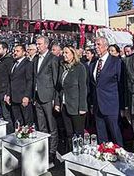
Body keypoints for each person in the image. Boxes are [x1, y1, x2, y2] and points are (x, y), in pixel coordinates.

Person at [89, 37, 125, 145]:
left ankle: (120, 157)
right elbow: (92, 85)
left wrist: (123, 107)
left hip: (112, 105)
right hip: (97, 106)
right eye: (95, 45)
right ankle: (104, 156)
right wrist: (91, 103)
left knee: (115, 135)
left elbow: (121, 85)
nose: (96, 47)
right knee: (101, 137)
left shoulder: (116, 62)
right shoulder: (93, 63)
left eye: (98, 45)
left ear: (106, 46)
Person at [34, 36, 60, 165]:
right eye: (37, 44)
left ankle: (52, 152)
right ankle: (43, 149)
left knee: (52, 126)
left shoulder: (53, 59)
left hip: (49, 97)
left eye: (39, 44)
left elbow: (56, 82)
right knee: (41, 126)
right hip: (37, 97)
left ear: (46, 45)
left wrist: (56, 100)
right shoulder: (36, 59)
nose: (37, 46)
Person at [55, 46, 87, 152]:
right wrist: (58, 103)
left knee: (78, 132)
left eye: (67, 53)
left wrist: (82, 107)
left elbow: (83, 88)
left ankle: (80, 153)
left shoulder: (80, 67)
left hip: (76, 106)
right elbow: (60, 88)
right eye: (63, 52)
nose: (64, 55)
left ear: (73, 54)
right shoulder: (63, 67)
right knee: (68, 133)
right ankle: (70, 153)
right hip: (65, 105)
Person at [6, 44, 34, 126]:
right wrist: (8, 94)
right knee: (18, 121)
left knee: (27, 121)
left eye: (17, 51)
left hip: (23, 97)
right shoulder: (14, 63)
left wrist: (27, 96)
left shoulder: (28, 64)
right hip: (14, 97)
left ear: (24, 52)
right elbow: (11, 80)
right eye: (14, 51)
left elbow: (29, 81)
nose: (15, 53)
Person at [0, 42, 14, 132]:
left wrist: (8, 93)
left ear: (5, 50)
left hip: (4, 92)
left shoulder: (9, 61)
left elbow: (10, 78)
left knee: (6, 115)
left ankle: (10, 133)